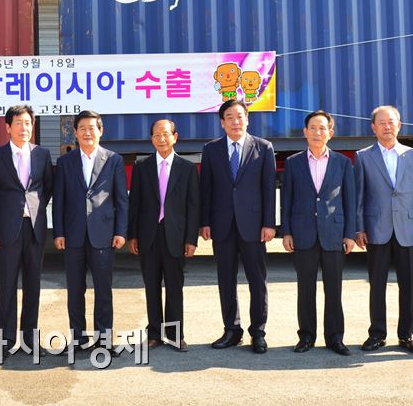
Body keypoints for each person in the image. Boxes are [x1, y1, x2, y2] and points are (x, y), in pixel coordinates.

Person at [199, 99, 276, 353]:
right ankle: (232, 330)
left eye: (240, 116)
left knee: (257, 280)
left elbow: (268, 188)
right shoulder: (211, 149)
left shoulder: (263, 147)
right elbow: (206, 188)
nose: (235, 121)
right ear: (222, 123)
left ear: (247, 119)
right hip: (222, 225)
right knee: (226, 279)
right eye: (229, 117)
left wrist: (269, 223)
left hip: (253, 225)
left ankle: (258, 332)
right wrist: (205, 221)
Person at [355, 105, 413, 355]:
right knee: (377, 284)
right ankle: (377, 334)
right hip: (376, 228)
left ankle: (408, 334)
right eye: (382, 123)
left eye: (391, 122)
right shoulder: (363, 157)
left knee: (408, 285)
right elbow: (359, 196)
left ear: (399, 125)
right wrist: (359, 227)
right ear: (373, 127)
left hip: (408, 228)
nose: (387, 127)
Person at [280, 110, 356, 356]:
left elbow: (350, 200)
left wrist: (350, 233)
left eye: (322, 128)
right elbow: (287, 200)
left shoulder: (343, 163)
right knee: (306, 289)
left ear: (330, 133)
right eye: (312, 128)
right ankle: (306, 336)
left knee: (334, 289)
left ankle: (335, 338)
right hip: (303, 233)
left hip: (333, 233)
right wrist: (286, 232)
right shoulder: (293, 163)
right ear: (305, 132)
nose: (317, 132)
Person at [53, 110, 128, 350]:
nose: (87, 133)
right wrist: (58, 232)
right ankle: (78, 339)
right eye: (82, 128)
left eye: (92, 128)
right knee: (75, 291)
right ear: (75, 133)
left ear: (100, 131)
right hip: (73, 235)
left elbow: (121, 199)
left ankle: (104, 339)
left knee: (103, 290)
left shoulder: (113, 160)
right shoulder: (65, 162)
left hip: (103, 234)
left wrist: (121, 231)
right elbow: (59, 200)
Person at [0, 105, 53, 355]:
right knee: (7, 286)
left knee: (33, 285)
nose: (24, 128)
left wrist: (33, 209)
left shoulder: (42, 154)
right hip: (6, 230)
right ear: (8, 127)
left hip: (34, 228)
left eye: (28, 123)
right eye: (19, 123)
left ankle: (30, 339)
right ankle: (6, 339)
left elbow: (47, 188)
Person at [127, 119, 199, 351]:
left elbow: (193, 207)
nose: (161, 139)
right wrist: (132, 235)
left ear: (175, 137)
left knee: (175, 287)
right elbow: (134, 203)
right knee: (151, 286)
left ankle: (176, 335)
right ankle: (154, 334)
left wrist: (191, 239)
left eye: (166, 134)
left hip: (175, 237)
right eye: (156, 135)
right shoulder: (142, 167)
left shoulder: (187, 168)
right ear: (151, 139)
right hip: (148, 235)